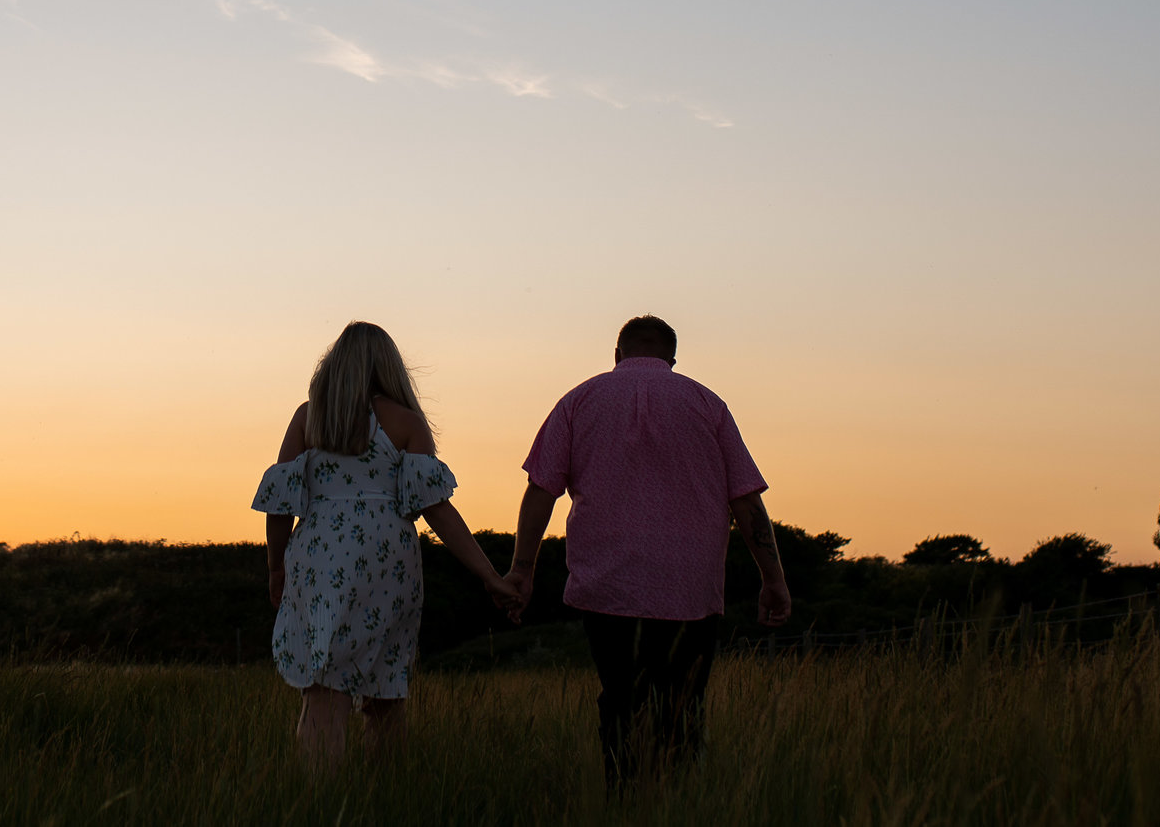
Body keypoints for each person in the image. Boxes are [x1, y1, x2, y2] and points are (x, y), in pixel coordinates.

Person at [506, 314, 793, 789]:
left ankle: (624, 800)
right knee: (683, 703)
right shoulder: (707, 403)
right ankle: (677, 802)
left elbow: (541, 489)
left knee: (620, 698)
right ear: (672, 360)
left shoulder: (579, 400)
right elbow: (745, 498)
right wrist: (774, 579)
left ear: (617, 355)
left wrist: (522, 569)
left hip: (607, 585)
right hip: (690, 587)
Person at [252, 321, 520, 762]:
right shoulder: (405, 423)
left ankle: (318, 805)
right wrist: (491, 577)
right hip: (387, 560)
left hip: (317, 558)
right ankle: (388, 796)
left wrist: (276, 568)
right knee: (387, 688)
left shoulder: (308, 418)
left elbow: (279, 506)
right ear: (390, 368)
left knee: (324, 689)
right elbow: (439, 511)